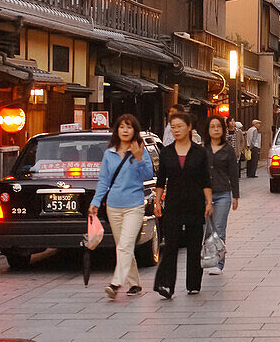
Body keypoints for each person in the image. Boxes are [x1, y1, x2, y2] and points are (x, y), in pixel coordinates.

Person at [90, 114, 156, 300]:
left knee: (125, 245)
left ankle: (116, 282)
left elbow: (148, 175)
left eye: (129, 127)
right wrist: (95, 202)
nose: (125, 130)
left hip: (134, 205)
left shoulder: (140, 150)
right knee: (123, 246)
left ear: (135, 130)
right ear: (116, 130)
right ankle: (135, 283)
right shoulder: (109, 153)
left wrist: (139, 157)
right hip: (113, 206)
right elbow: (103, 181)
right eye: (122, 127)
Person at [152, 111, 214, 298]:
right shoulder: (166, 152)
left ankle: (193, 284)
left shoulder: (200, 152)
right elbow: (161, 181)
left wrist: (209, 202)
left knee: (194, 246)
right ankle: (166, 285)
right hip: (173, 205)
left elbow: (205, 180)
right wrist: (157, 202)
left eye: (179, 126)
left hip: (195, 203)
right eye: (173, 127)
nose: (176, 130)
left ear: (189, 128)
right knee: (171, 246)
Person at [205, 115, 239, 273]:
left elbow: (234, 173)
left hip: (223, 193)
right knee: (207, 230)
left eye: (218, 126)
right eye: (212, 127)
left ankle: (218, 264)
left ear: (223, 129)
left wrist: (235, 196)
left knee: (219, 228)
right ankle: (207, 258)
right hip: (205, 195)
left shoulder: (228, 150)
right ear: (208, 129)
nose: (216, 129)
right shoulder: (202, 149)